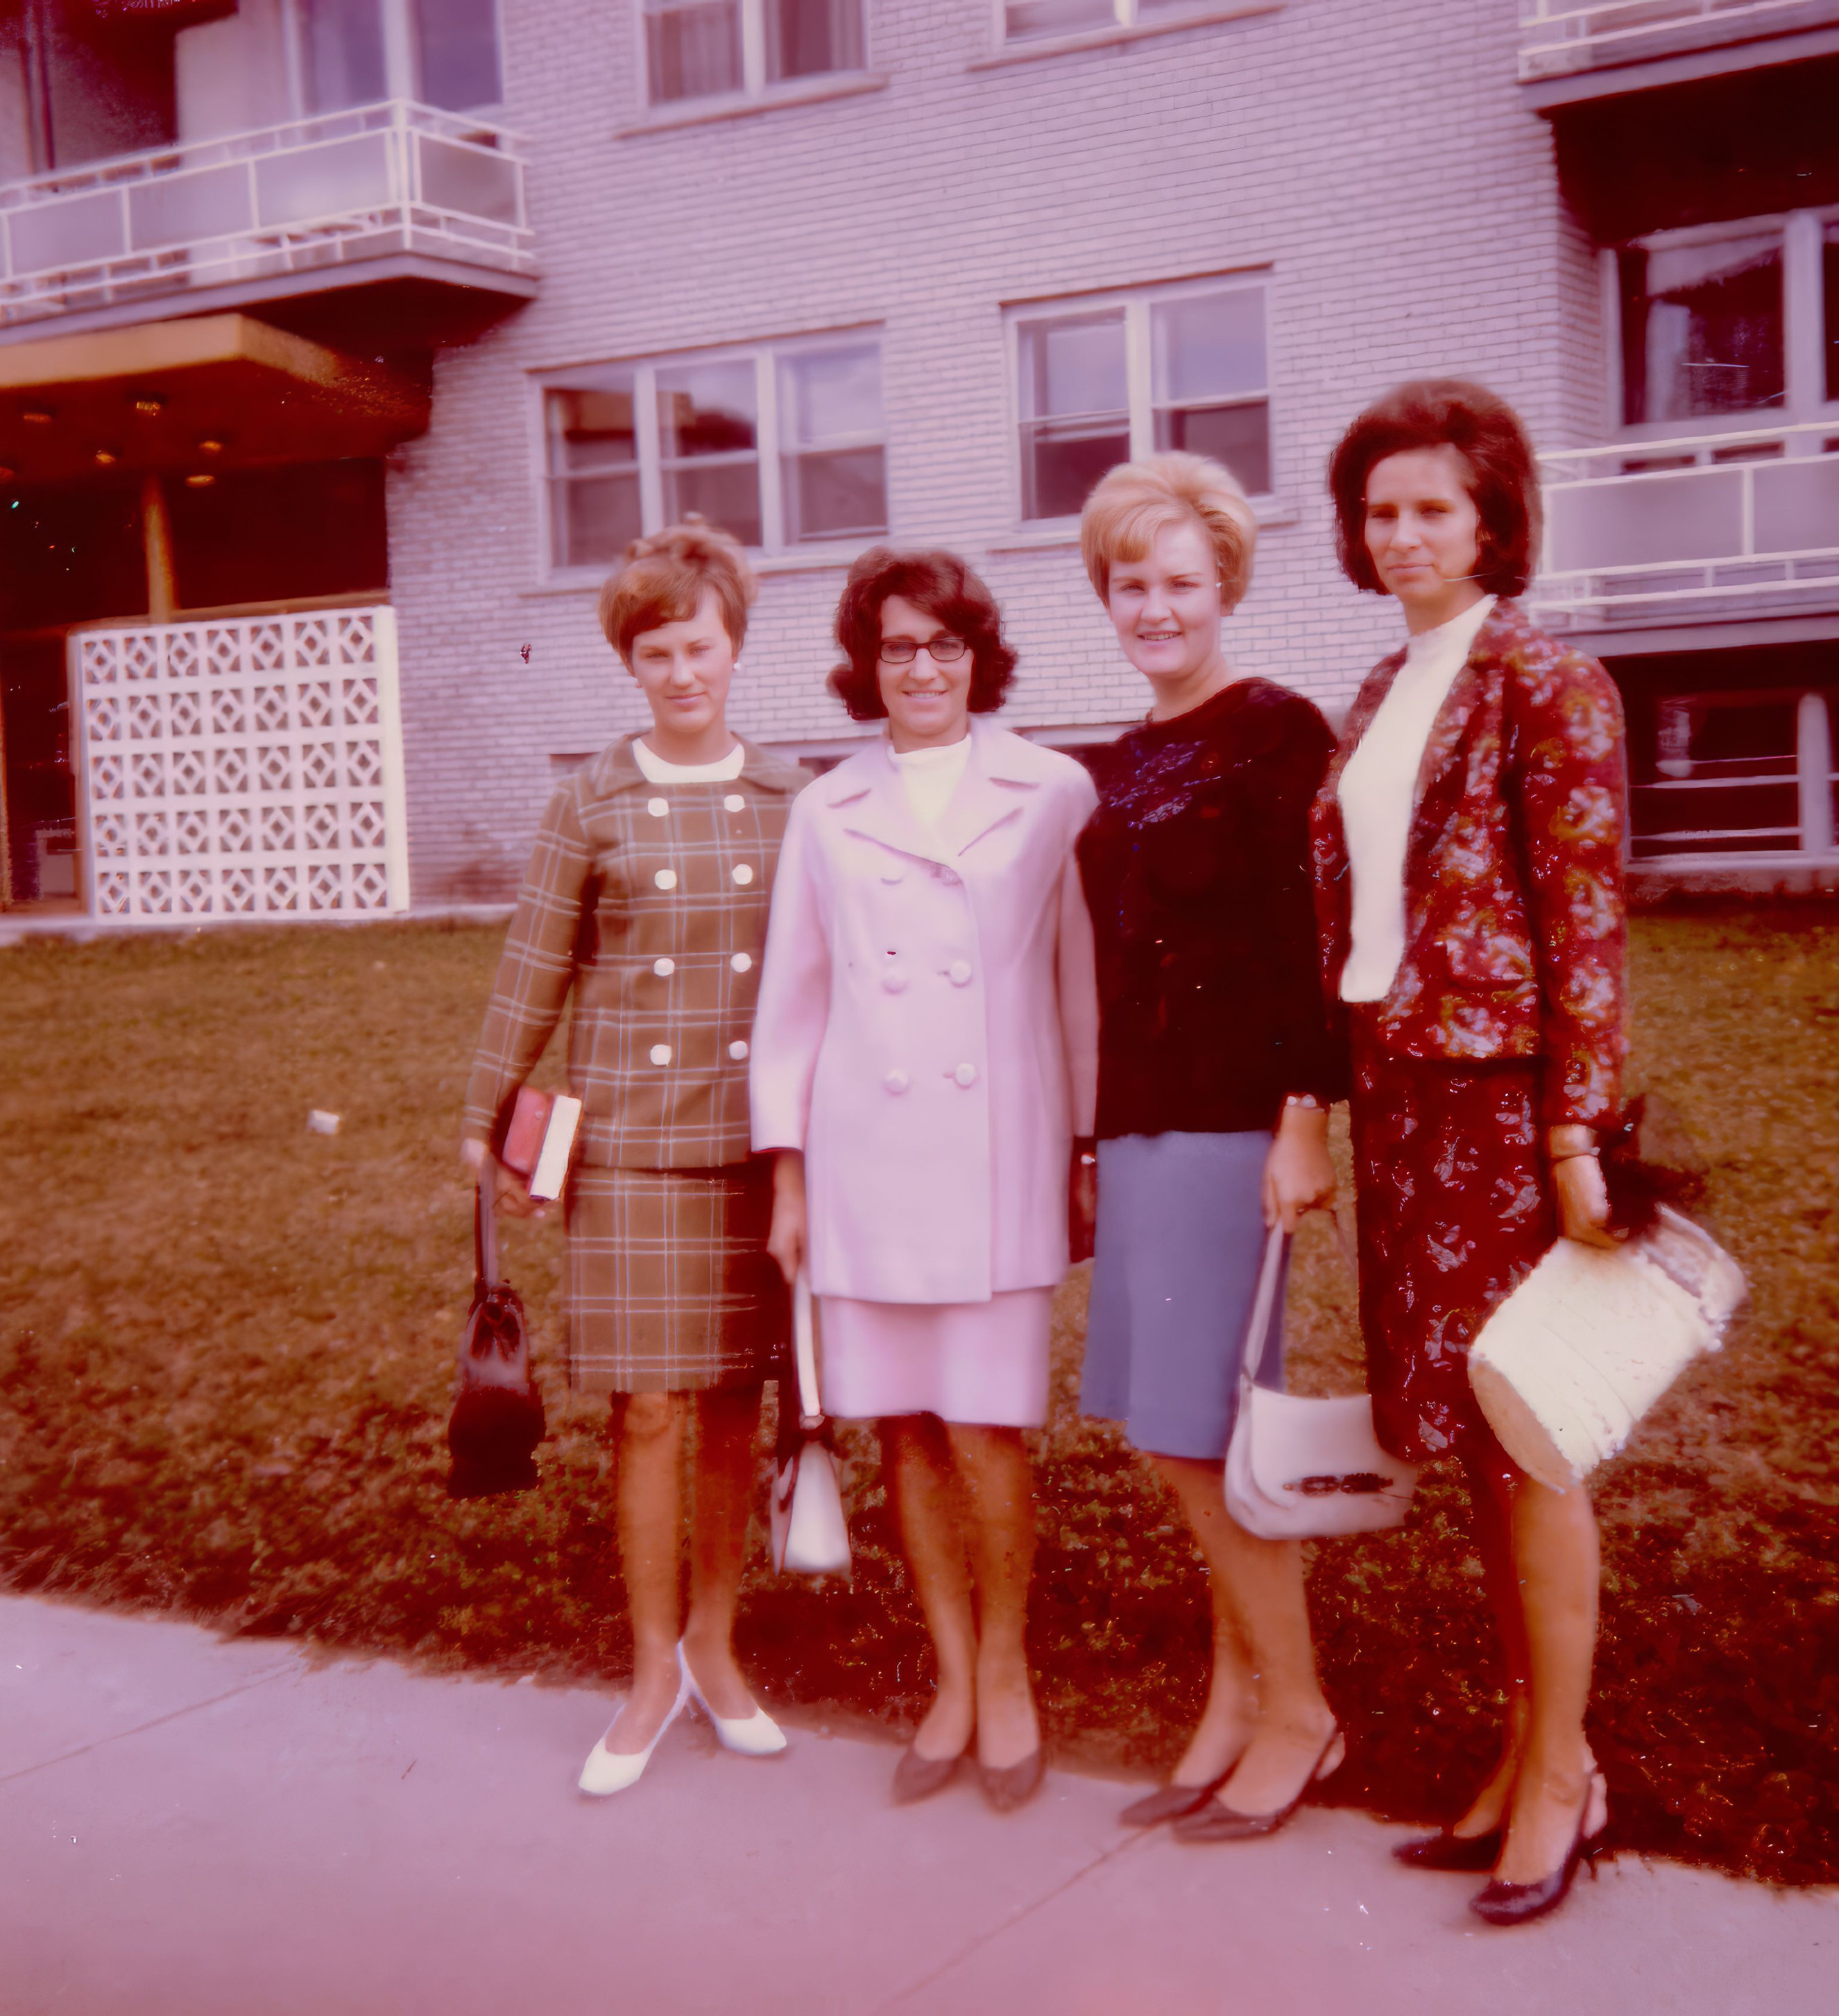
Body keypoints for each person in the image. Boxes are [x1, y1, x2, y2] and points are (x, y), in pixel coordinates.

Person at [1311, 379, 1630, 1924]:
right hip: (1403, 1096)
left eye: (1434, 506)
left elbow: (1586, 921)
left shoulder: (1550, 681)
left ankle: (1566, 1774)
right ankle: (1524, 1748)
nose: (1406, 533)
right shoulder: (1382, 687)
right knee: (1475, 1450)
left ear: (1493, 517)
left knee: (1533, 1437)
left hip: (1505, 1103)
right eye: (1381, 510)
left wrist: (1579, 1126)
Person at [461, 520, 808, 1797]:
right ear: (631, 663)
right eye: (656, 652)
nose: (681, 672)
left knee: (729, 1407)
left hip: (749, 1145)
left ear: (733, 647)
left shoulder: (791, 798)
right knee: (648, 1410)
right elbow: (532, 967)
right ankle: (651, 1667)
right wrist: (488, 1114)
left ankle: (719, 1649)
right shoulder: (588, 798)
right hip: (629, 1151)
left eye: (700, 646)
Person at [749, 548, 1097, 1813]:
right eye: (897, 647)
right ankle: (949, 1677)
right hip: (865, 1157)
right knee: (903, 1423)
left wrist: (1086, 1146)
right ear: (866, 663)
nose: (922, 669)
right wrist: (787, 1175)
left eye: (944, 645)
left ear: (977, 657)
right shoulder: (826, 807)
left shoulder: (1054, 789)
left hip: (999, 1150)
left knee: (987, 1426)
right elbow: (793, 1001)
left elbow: (1079, 988)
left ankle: (1008, 1674)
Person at [1071, 452, 1347, 1843]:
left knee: (1205, 1432)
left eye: (1182, 581)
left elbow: (1314, 938)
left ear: (1226, 583)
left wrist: (1307, 1114)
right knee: (1171, 1425)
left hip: (1235, 1126)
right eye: (1133, 583)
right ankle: (1236, 1695)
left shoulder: (1278, 733)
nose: (1157, 607)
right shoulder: (1119, 759)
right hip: (1139, 1123)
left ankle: (1296, 1708)